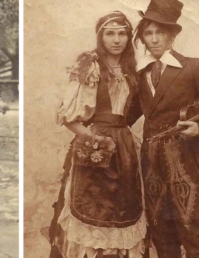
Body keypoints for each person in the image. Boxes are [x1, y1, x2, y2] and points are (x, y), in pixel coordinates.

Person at [130, 0, 199, 257]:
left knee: (194, 233)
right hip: (151, 163)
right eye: (148, 33)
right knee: (162, 235)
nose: (154, 39)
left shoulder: (194, 67)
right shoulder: (140, 74)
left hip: (184, 160)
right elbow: (125, 116)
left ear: (172, 35)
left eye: (160, 32)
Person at [49, 11, 147, 258]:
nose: (117, 40)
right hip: (95, 145)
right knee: (92, 207)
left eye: (122, 33)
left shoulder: (133, 68)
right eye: (110, 34)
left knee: (123, 209)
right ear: (100, 37)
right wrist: (93, 140)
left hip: (125, 148)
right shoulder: (90, 64)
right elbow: (69, 118)